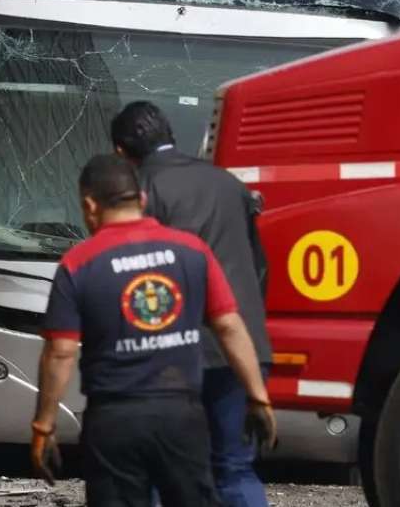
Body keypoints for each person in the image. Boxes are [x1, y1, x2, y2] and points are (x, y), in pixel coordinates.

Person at [30, 154, 276, 507]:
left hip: (114, 421)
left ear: (89, 205)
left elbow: (61, 351)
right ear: (142, 200)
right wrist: (257, 396)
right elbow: (228, 326)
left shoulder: (78, 263)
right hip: (182, 417)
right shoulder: (193, 251)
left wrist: (44, 425)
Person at [110, 101, 273, 507]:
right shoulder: (228, 183)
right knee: (235, 467)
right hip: (242, 346)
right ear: (170, 136)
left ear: (120, 152)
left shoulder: (139, 192)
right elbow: (259, 267)